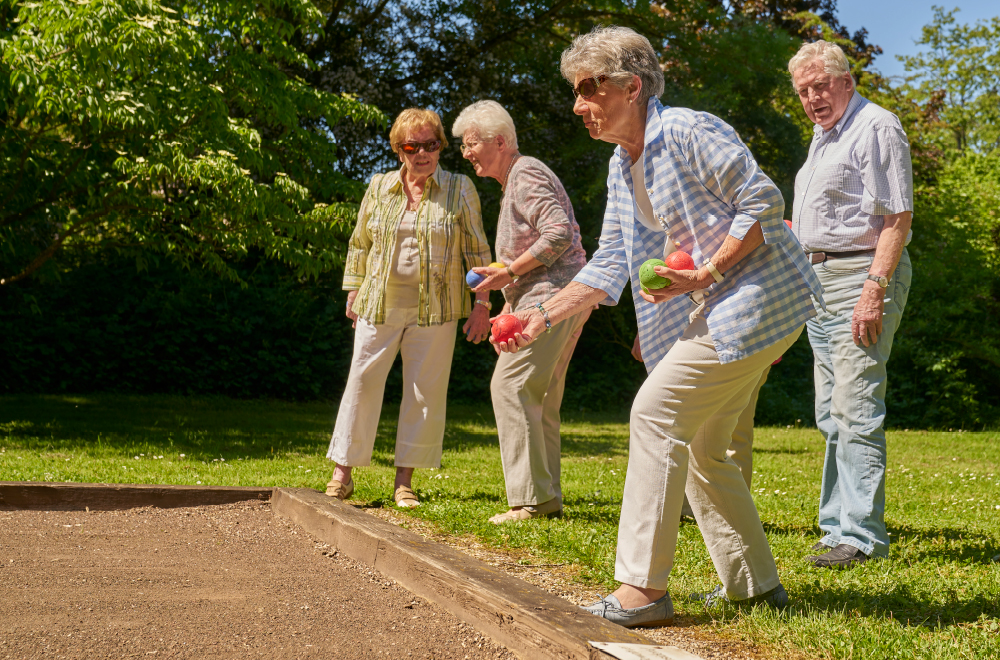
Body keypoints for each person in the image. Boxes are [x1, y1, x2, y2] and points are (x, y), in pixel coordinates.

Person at [495, 26, 824, 628]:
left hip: (757, 300)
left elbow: (763, 201)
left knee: (654, 415)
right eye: (575, 91)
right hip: (723, 307)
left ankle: (642, 590)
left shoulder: (686, 130)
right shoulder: (624, 166)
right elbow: (610, 262)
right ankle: (756, 586)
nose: (577, 105)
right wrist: (539, 315)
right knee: (704, 448)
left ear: (632, 86)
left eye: (588, 89)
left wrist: (705, 273)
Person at [325, 108, 493, 508]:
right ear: (398, 148)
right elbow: (360, 242)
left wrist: (482, 303)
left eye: (431, 145)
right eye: (413, 146)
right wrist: (352, 290)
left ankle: (404, 483)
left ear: (440, 147)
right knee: (362, 385)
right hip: (378, 304)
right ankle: (342, 475)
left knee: (424, 394)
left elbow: (477, 249)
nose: (423, 154)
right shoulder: (379, 186)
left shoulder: (459, 188)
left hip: (436, 309)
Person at [788, 41, 913, 569]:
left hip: (860, 275)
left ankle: (861, 537)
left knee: (856, 406)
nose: (813, 98)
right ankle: (837, 526)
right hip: (820, 280)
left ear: (847, 82)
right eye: (803, 91)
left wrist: (873, 289)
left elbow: (897, 219)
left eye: (820, 86)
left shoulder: (876, 126)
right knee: (829, 411)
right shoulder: (823, 136)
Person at [451, 100, 590, 524]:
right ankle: (543, 500)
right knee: (541, 399)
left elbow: (559, 234)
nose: (466, 152)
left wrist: (509, 271)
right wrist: (504, 281)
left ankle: (528, 501)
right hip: (558, 296)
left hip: (551, 299)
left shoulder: (525, 172)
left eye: (471, 143)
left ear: (500, 141)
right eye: (462, 145)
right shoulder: (516, 180)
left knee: (510, 388)